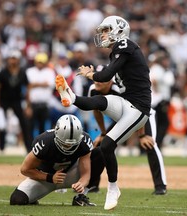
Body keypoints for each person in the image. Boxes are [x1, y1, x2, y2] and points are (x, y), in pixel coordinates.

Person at [55, 15, 151, 210]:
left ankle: (113, 187)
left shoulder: (125, 45)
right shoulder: (118, 50)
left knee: (107, 146)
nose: (103, 34)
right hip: (127, 102)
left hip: (139, 108)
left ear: (119, 30)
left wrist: (91, 74)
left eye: (107, 30)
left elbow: (106, 75)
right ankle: (71, 98)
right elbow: (106, 76)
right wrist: (94, 75)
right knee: (99, 101)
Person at [88, 65, 167, 195]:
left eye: (101, 79)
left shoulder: (120, 90)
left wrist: (142, 136)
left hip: (143, 114)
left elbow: (137, 110)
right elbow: (96, 111)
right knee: (101, 145)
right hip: (122, 118)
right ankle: (92, 185)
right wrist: (103, 133)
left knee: (150, 144)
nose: (97, 81)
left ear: (110, 80)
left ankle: (160, 186)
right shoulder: (93, 90)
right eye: (96, 77)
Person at [9, 114, 98, 206]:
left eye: (73, 144)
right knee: (17, 200)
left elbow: (86, 174)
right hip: (46, 178)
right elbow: (25, 169)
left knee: (98, 153)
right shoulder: (44, 142)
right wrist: (50, 178)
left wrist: (81, 183)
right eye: (65, 144)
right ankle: (33, 198)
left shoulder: (84, 141)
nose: (69, 147)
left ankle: (81, 197)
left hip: (70, 175)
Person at [0, 49, 32, 153]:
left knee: (24, 123)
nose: (13, 61)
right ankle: (0, 147)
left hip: (17, 101)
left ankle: (29, 148)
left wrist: (28, 106)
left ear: (18, 60)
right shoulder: (3, 72)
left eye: (14, 58)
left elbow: (28, 88)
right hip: (4, 100)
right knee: (1, 123)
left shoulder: (22, 72)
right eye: (11, 58)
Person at [26, 52, 55, 138]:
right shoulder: (29, 71)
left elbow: (50, 84)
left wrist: (34, 84)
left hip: (45, 104)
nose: (40, 64)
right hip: (32, 104)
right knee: (30, 127)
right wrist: (28, 106)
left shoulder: (50, 71)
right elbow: (28, 87)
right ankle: (30, 148)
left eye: (42, 62)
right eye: (39, 62)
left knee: (43, 128)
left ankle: (42, 148)